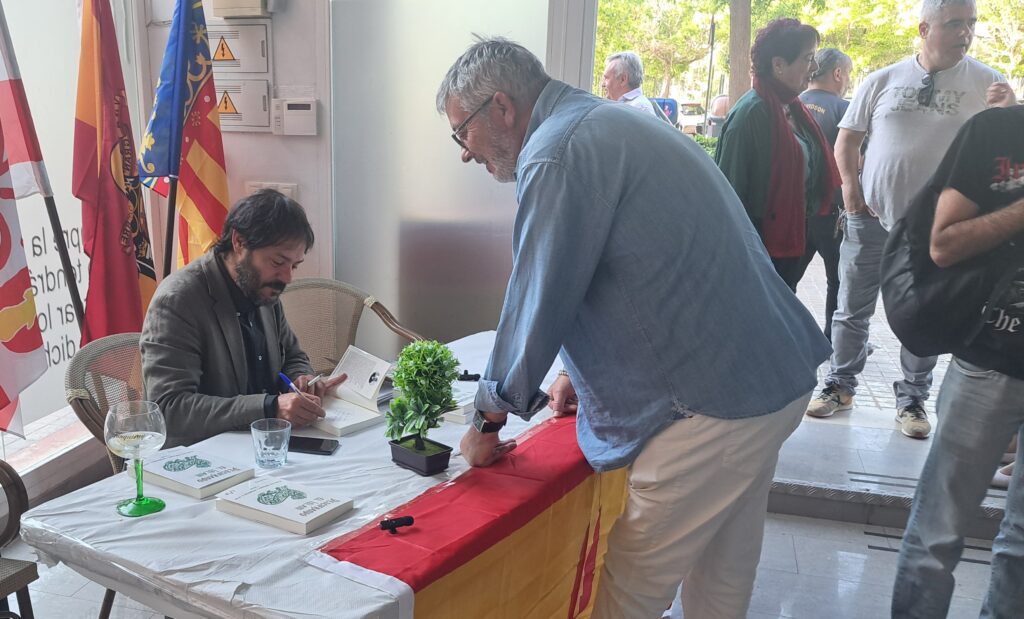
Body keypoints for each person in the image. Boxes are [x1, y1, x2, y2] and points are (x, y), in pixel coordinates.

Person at [437, 37, 830, 619]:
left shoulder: (554, 152)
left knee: (623, 595)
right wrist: (574, 370)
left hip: (708, 407)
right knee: (721, 578)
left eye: (461, 132)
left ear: (501, 107)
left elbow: (537, 295)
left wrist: (486, 421)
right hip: (768, 376)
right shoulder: (608, 121)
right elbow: (631, 267)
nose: (465, 153)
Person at [805, 0, 1005, 440]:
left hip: (936, 231)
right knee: (851, 309)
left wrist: (1009, 112)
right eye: (954, 23)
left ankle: (912, 399)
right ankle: (840, 384)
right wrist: (851, 190)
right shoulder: (883, 79)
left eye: (971, 24)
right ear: (924, 29)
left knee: (924, 313)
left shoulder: (989, 83)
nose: (965, 33)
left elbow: (1004, 155)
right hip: (870, 219)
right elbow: (848, 139)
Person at [891, 89, 1022, 618]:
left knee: (1022, 544)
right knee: (936, 535)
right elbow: (942, 244)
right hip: (990, 362)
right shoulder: (997, 131)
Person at [141, 189, 345, 447]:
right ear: (239, 242)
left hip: (264, 445)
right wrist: (269, 407)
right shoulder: (178, 301)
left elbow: (293, 355)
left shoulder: (261, 287)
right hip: (204, 453)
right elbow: (169, 409)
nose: (287, 278)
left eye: (294, 266)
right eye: (277, 262)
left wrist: (301, 380)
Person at [715, 19, 843, 294]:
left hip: (789, 237)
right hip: (761, 248)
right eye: (808, 59)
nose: (814, 67)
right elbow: (729, 195)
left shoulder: (793, 108)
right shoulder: (751, 114)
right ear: (778, 65)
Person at [799, 48, 855, 340]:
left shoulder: (791, 103)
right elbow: (856, 160)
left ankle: (784, 331)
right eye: (848, 74)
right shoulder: (845, 109)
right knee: (837, 279)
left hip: (793, 210)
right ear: (837, 73)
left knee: (785, 277)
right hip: (830, 211)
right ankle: (831, 338)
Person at [600, 51, 662, 119]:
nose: (603, 84)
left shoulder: (640, 108)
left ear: (623, 80)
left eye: (606, 78)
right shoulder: (631, 106)